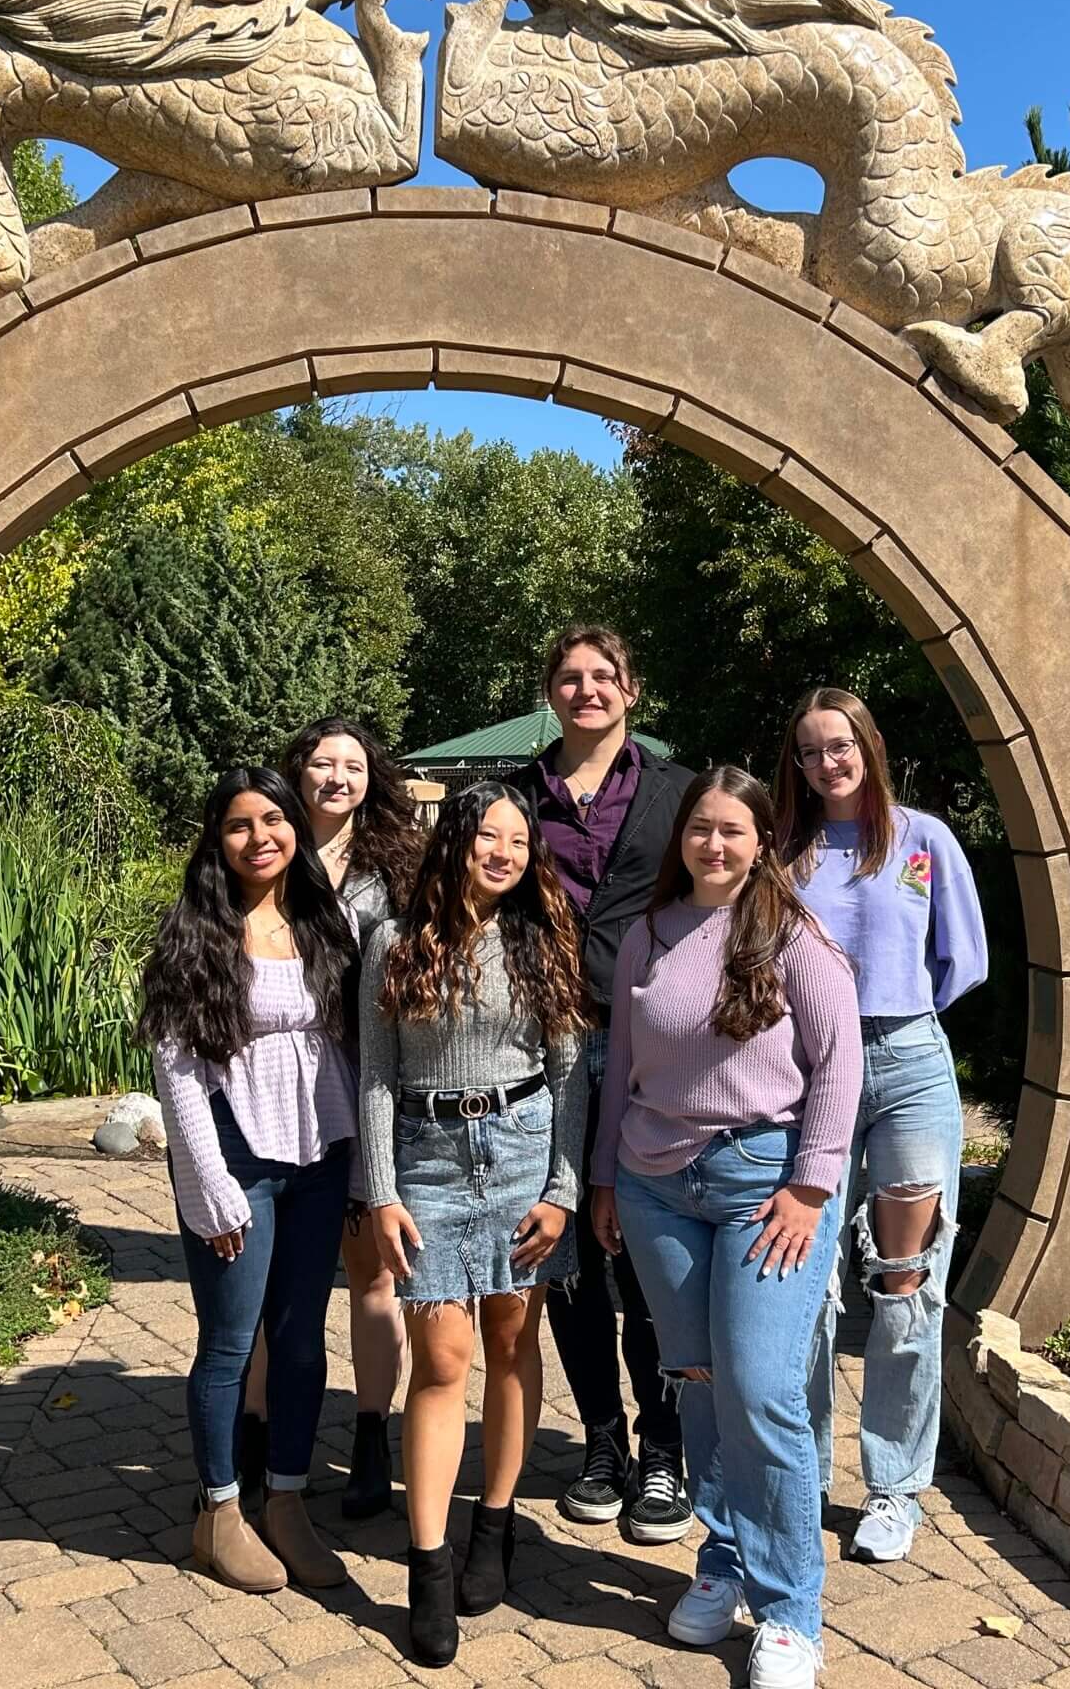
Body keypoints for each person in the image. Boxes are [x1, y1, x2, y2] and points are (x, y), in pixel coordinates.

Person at [588, 766, 862, 1689]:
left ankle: (790, 1613)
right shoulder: (648, 938)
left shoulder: (792, 937)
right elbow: (622, 1063)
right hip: (655, 1186)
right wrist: (602, 1183)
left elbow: (840, 1066)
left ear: (760, 844)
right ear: (683, 840)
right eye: (701, 828)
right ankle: (724, 1562)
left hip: (764, 1188)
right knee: (698, 1383)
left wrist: (813, 1187)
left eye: (733, 831)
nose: (714, 844)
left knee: (759, 1390)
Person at [359, 783, 591, 1666]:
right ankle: (428, 1564)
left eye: (519, 840)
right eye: (488, 835)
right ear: (454, 840)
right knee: (441, 1361)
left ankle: (494, 1526)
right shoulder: (394, 939)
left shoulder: (541, 938)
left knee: (512, 1343)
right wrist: (381, 1192)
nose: (504, 851)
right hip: (426, 1157)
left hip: (525, 1151)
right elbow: (376, 1075)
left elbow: (572, 1073)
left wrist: (564, 1187)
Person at [776, 689, 987, 1563]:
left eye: (842, 744)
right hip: (807, 1074)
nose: (831, 761)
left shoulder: (924, 840)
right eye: (813, 751)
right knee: (804, 1283)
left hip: (906, 1066)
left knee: (906, 1278)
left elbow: (960, 961)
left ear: (869, 744)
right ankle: (806, 1472)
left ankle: (895, 1486)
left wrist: (890, 1023)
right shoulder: (784, 855)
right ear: (797, 765)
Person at [142, 768, 359, 1595]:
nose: (260, 836)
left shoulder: (321, 920)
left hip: (319, 1156)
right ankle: (219, 1512)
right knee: (231, 1344)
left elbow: (345, 1046)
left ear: (294, 827)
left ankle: (289, 1501)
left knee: (302, 1340)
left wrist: (364, 1170)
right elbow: (177, 1069)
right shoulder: (196, 932)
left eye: (273, 818)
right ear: (217, 840)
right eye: (239, 825)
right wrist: (208, 1185)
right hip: (236, 1156)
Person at [511, 623, 696, 1543]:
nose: (586, 691)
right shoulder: (515, 796)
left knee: (649, 1254)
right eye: (569, 678)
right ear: (551, 692)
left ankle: (665, 1452)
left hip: (648, 1053)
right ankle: (600, 1441)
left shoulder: (678, 792)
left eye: (602, 677)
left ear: (631, 689)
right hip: (545, 1049)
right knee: (571, 1256)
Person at [223, 719, 426, 1519]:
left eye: (352, 765)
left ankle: (373, 1433)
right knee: (281, 1282)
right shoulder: (268, 848)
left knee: (373, 1273)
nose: (337, 777)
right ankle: (258, 1430)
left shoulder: (396, 869)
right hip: (279, 1089)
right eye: (321, 764)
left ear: (372, 777)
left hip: (368, 1085)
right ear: (297, 773)